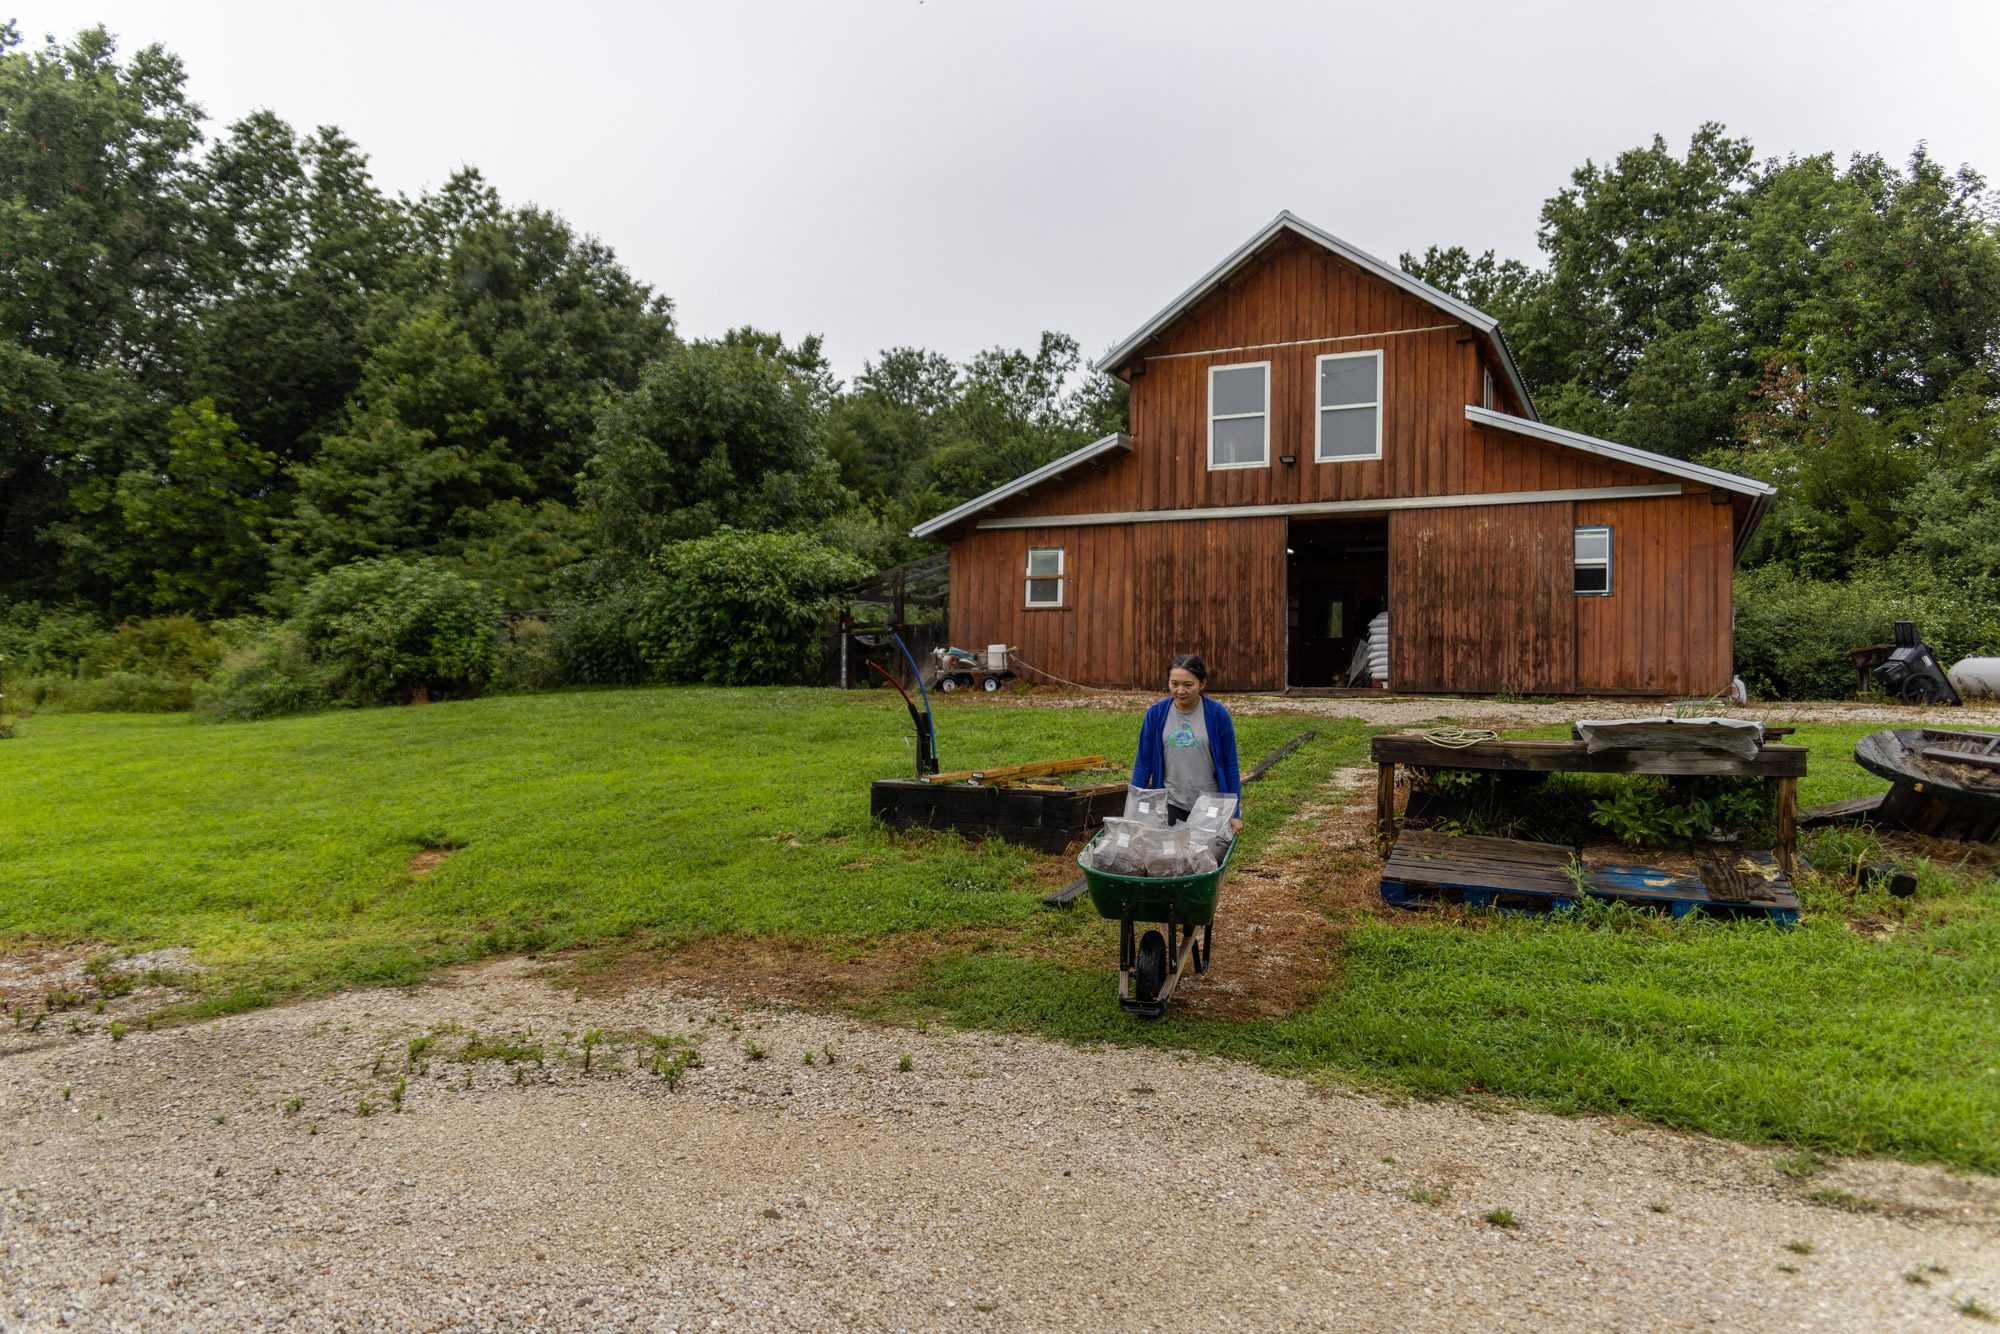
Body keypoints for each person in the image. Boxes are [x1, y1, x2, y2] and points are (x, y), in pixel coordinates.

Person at [1131, 654, 1243, 832]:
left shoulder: (1218, 715)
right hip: (1171, 802)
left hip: (1210, 805)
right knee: (1170, 855)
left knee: (1206, 857)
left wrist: (1235, 813)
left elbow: (1230, 765)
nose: (1180, 690)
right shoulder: (1156, 714)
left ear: (1202, 684)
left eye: (1188, 685)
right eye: (1174, 684)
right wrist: (1134, 809)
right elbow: (1143, 763)